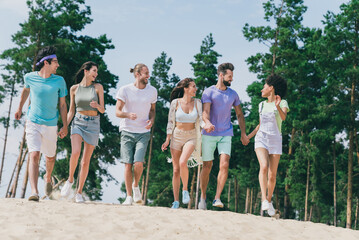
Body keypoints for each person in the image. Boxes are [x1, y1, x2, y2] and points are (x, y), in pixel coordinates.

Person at [14, 46, 68, 201]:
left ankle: (48, 177)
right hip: (33, 121)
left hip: (51, 124)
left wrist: (64, 125)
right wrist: (19, 108)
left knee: (50, 157)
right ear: (46, 63)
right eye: (55, 62)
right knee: (34, 154)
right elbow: (25, 91)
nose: (58, 65)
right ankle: (34, 191)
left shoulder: (59, 81)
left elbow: (63, 105)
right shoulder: (30, 77)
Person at [199, 62, 249, 210]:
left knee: (225, 164)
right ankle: (202, 197)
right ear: (221, 75)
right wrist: (207, 123)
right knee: (207, 166)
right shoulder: (208, 92)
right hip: (209, 133)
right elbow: (205, 112)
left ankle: (217, 197)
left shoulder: (233, 94)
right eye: (229, 76)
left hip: (226, 133)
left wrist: (243, 133)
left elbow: (240, 115)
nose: (231, 79)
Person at [60, 61, 105, 203]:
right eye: (94, 71)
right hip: (78, 122)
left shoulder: (98, 87)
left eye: (96, 72)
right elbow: (71, 110)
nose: (96, 74)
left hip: (93, 124)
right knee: (75, 152)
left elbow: (103, 110)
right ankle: (70, 179)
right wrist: (65, 126)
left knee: (85, 162)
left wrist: (97, 105)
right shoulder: (74, 89)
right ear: (86, 71)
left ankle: (78, 193)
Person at [115, 63, 157, 205]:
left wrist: (151, 120)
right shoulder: (124, 90)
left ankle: (135, 185)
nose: (148, 76)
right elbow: (117, 112)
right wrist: (127, 114)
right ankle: (128, 196)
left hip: (143, 132)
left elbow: (152, 110)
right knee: (128, 164)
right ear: (137, 74)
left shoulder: (152, 91)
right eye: (146, 73)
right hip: (127, 131)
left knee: (138, 164)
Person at [248, 74, 289, 216]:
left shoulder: (283, 103)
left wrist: (277, 106)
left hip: (275, 140)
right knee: (264, 166)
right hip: (261, 138)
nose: (262, 89)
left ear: (271, 88)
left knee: (272, 176)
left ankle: (269, 200)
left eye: (264, 86)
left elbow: (283, 118)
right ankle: (264, 200)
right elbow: (259, 125)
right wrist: (248, 136)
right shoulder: (261, 105)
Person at [161, 78, 204, 209]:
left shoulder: (198, 103)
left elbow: (201, 119)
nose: (195, 89)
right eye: (193, 86)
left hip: (191, 136)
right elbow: (170, 121)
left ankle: (185, 190)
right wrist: (167, 139)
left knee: (182, 162)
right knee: (175, 171)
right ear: (185, 88)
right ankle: (175, 201)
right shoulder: (175, 103)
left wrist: (206, 126)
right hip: (176, 136)